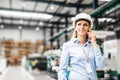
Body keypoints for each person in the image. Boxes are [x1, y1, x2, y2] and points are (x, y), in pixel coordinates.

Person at [58, 13, 105, 80]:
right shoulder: (68, 46)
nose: (82, 27)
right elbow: (62, 69)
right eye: (79, 24)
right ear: (75, 27)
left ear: (89, 28)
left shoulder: (94, 46)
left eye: (85, 25)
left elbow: (101, 65)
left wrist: (94, 42)